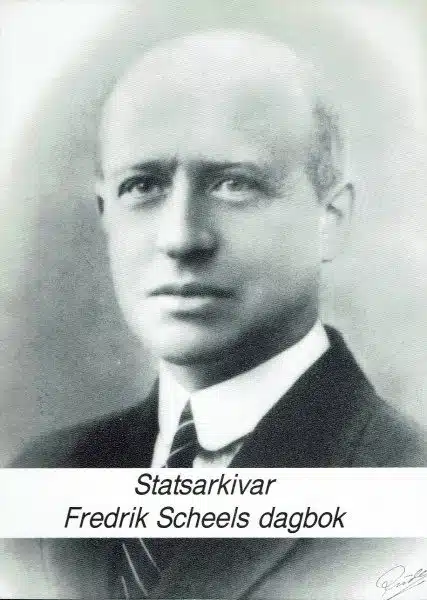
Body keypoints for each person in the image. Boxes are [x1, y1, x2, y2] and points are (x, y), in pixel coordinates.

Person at [8, 29, 427, 599]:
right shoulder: (43, 481)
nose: (181, 238)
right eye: (143, 185)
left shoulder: (407, 487)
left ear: (329, 219)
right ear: (106, 213)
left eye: (235, 184)